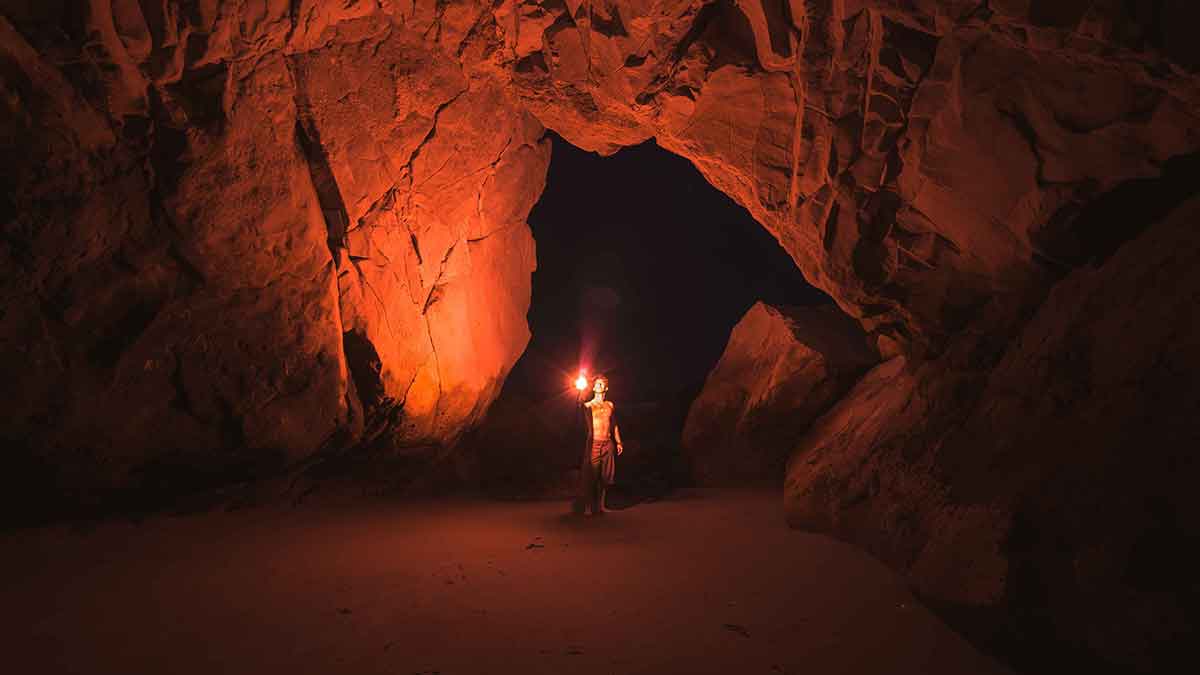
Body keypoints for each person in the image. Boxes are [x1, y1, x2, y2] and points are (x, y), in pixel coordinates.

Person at [578, 374, 623, 515]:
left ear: (606, 387)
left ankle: (601, 506)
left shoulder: (610, 405)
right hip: (594, 444)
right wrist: (580, 390)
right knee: (591, 476)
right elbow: (579, 405)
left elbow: (614, 424)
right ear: (593, 387)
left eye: (602, 384)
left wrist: (618, 441)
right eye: (597, 384)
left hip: (608, 443)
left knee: (605, 477)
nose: (599, 386)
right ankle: (588, 507)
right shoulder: (589, 405)